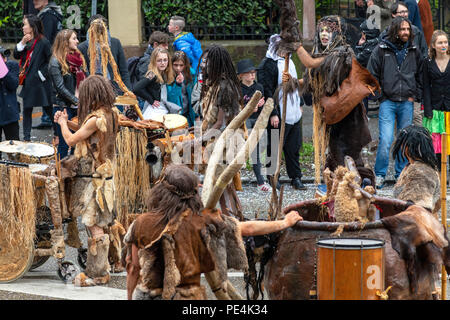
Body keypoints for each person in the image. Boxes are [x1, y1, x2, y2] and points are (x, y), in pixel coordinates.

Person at [123, 164, 303, 300]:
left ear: (161, 191)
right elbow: (247, 228)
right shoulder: (202, 221)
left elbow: (133, 267)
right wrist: (284, 222)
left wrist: (130, 297)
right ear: (194, 193)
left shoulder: (141, 222)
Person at [54, 75, 119, 286]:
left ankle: (98, 273)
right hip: (106, 176)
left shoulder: (95, 119)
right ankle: (112, 262)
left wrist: (63, 124)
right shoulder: (112, 114)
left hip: (96, 181)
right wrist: (69, 123)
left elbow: (72, 140)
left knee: (93, 224)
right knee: (105, 222)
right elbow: (86, 134)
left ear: (92, 94)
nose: (81, 97)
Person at [295, 16, 376, 187]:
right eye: (322, 31)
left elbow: (314, 65)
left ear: (336, 33)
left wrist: (297, 47)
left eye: (328, 31)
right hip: (332, 116)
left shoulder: (342, 52)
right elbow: (312, 80)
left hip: (348, 114)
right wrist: (293, 82)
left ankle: (362, 185)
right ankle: (339, 193)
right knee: (335, 155)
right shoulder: (320, 53)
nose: (324, 34)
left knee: (349, 155)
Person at [367, 16, 423, 189]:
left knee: (404, 140)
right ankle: (380, 174)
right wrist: (379, 96)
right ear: (395, 31)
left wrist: (415, 95)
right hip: (388, 102)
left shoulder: (414, 50)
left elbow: (421, 75)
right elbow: (371, 74)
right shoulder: (381, 49)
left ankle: (400, 174)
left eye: (408, 30)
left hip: (407, 102)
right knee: (385, 140)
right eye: (403, 29)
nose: (406, 32)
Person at [258, 35, 306, 191]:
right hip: (278, 113)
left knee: (293, 147)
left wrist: (300, 103)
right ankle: (272, 177)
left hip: (293, 111)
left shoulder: (289, 62)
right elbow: (266, 90)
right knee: (275, 145)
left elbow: (295, 84)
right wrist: (273, 113)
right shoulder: (268, 65)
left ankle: (295, 177)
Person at [14, 14, 53, 142]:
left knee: (49, 109)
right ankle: (26, 138)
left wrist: (41, 75)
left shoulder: (43, 41)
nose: (23, 27)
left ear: (32, 26)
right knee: (26, 110)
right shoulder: (26, 41)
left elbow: (51, 61)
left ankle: (59, 134)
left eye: (25, 24)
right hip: (28, 82)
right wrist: (22, 42)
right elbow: (16, 55)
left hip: (40, 83)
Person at [49, 29, 87, 158]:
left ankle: (74, 170)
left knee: (77, 141)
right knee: (65, 143)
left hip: (79, 106)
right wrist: (77, 101)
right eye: (74, 38)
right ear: (65, 42)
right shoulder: (55, 62)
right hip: (63, 106)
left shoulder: (78, 58)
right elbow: (60, 87)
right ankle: (61, 173)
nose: (77, 41)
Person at [237, 58, 270, 192]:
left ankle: (260, 181)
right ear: (241, 75)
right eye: (249, 73)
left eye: (253, 73)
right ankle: (235, 180)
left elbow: (262, 107)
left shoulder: (258, 87)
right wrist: (250, 108)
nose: (252, 75)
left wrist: (260, 108)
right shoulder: (238, 89)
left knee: (256, 150)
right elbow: (237, 107)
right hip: (243, 121)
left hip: (256, 121)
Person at [78, 15, 132, 95]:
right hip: (93, 91)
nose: (102, 31)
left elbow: (123, 71)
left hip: (115, 90)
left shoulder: (115, 43)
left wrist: (128, 92)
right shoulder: (82, 47)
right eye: (98, 28)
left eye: (104, 28)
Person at [392, 125, 440, 215]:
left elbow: (417, 208)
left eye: (402, 144)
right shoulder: (413, 166)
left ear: (408, 147)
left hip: (417, 222)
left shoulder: (421, 171)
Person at [33, 0, 63, 129]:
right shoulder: (49, 14)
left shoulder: (48, 16)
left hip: (50, 58)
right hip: (53, 56)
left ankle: (48, 118)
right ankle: (48, 117)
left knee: (49, 87)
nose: (34, 1)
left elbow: (47, 40)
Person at [422, 30, 450, 163]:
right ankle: (440, 176)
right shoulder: (427, 62)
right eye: (440, 42)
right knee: (437, 146)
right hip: (435, 109)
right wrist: (427, 109)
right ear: (433, 45)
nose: (443, 45)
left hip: (449, 108)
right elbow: (426, 87)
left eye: (445, 42)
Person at [133, 47, 180, 120]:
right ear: (154, 61)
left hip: (163, 108)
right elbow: (137, 88)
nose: (163, 63)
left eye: (165, 60)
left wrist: (178, 82)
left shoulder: (166, 72)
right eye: (159, 60)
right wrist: (151, 100)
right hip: (154, 110)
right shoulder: (152, 73)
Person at [167, 50, 197, 127]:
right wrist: (177, 84)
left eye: (181, 65)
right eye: (175, 65)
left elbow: (195, 95)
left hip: (189, 112)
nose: (178, 68)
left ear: (185, 65)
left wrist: (196, 115)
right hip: (175, 114)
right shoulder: (168, 75)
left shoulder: (192, 75)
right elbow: (170, 98)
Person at [0, 46, 20, 141]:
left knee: (14, 148)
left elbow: (13, 85)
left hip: (9, 113)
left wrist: (2, 68)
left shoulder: (12, 65)